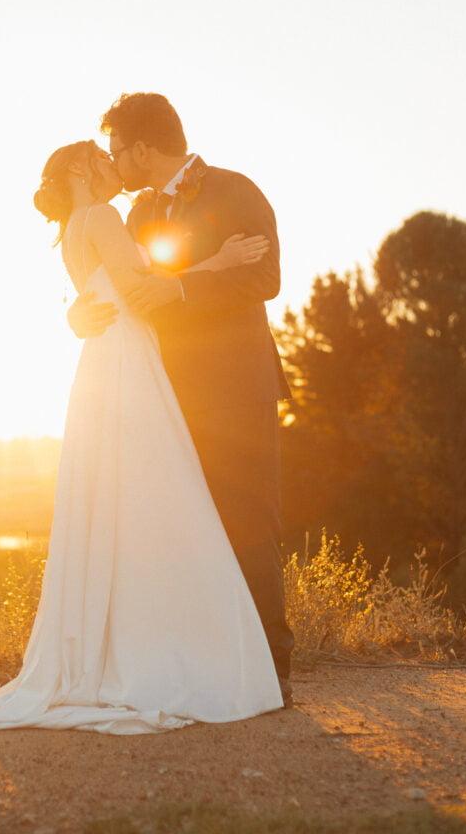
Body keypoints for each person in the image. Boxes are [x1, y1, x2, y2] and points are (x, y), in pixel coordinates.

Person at [0, 138, 284, 735]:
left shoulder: (75, 226)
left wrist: (75, 313)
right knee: (161, 503)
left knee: (125, 505)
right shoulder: (108, 215)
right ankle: (169, 654)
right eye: (106, 157)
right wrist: (217, 262)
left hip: (109, 366)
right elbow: (139, 290)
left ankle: (130, 646)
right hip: (128, 367)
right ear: (88, 167)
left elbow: (99, 291)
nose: (116, 165)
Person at [67, 93, 296, 707]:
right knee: (171, 522)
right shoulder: (135, 214)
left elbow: (265, 277)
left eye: (119, 150)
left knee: (246, 519)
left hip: (234, 386)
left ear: (143, 147)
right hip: (158, 388)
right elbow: (119, 285)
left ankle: (271, 671)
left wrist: (183, 293)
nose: (116, 163)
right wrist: (79, 313)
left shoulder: (234, 189)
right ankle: (196, 660)